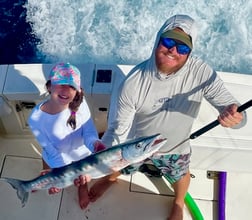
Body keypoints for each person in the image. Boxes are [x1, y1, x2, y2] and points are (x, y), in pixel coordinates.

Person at [88, 14, 246, 220]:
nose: (173, 50)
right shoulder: (133, 83)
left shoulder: (201, 73)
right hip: (136, 144)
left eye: (182, 48)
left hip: (175, 147)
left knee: (180, 176)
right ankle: (110, 178)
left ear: (190, 53)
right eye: (169, 41)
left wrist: (236, 118)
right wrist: (102, 157)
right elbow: (118, 129)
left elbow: (238, 116)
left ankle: (178, 202)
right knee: (123, 165)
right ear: (157, 40)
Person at [28, 62, 106, 209]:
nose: (65, 90)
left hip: (82, 156)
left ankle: (82, 188)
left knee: (82, 180)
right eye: (60, 84)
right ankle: (42, 181)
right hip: (54, 157)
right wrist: (60, 177)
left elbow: (89, 132)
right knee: (47, 172)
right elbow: (50, 150)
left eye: (71, 86)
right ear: (49, 86)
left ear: (77, 91)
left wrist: (94, 143)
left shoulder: (80, 103)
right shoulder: (35, 118)